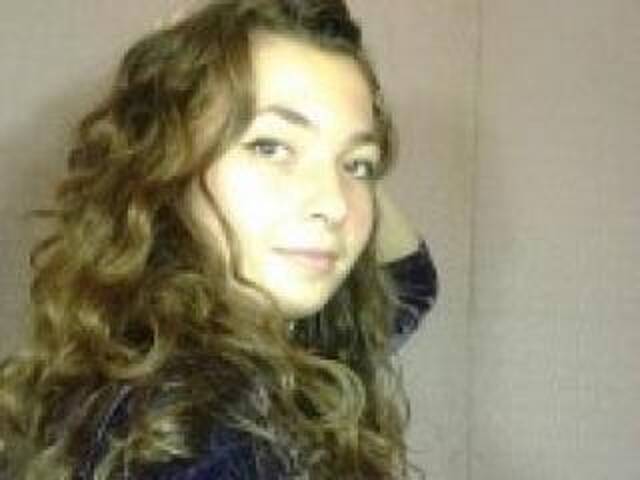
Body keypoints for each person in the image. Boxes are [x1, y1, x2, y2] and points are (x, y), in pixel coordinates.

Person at [0, 1, 437, 478]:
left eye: (358, 166)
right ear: (168, 165)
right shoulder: (211, 444)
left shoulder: (146, 350)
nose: (334, 203)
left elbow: (411, 279)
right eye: (270, 147)